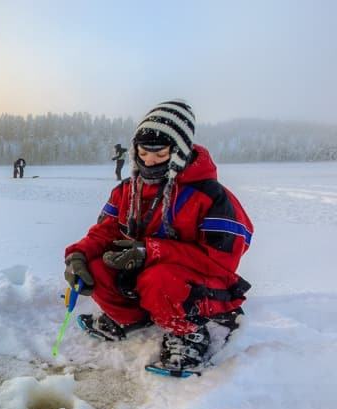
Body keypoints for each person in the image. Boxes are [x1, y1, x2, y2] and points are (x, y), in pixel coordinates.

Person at [63, 100, 253, 372]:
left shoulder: (211, 196)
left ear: (178, 152)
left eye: (160, 153)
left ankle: (189, 333)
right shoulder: (127, 190)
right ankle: (129, 319)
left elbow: (221, 263)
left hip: (200, 286)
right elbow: (106, 231)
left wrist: (150, 251)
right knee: (96, 266)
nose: (149, 160)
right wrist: (78, 255)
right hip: (145, 279)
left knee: (160, 278)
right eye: (143, 151)